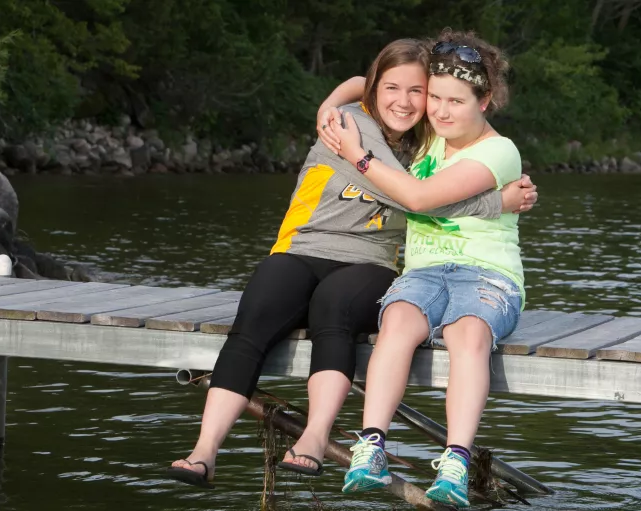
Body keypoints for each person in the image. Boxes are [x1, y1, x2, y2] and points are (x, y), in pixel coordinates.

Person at [165, 38, 538, 489]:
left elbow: (418, 195)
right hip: (303, 246)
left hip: (369, 260)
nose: (406, 101)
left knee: (335, 311)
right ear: (375, 90)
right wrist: (495, 203)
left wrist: (498, 198)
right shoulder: (348, 126)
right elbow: (366, 93)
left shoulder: (425, 142)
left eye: (418, 92)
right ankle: (204, 450)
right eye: (393, 89)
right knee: (256, 315)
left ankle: (314, 438)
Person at [323, 30, 525, 508]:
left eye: (456, 101)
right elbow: (363, 83)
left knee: (467, 334)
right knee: (395, 325)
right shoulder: (433, 132)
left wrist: (358, 155)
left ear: (486, 100)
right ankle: (371, 447)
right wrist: (328, 108)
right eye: (435, 97)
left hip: (486, 275)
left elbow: (416, 199)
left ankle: (455, 460)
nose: (441, 110)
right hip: (424, 272)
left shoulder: (500, 152)